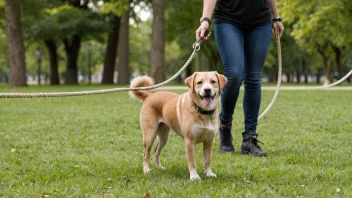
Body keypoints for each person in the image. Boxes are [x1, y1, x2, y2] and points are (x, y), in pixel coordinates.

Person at [196, 0, 284, 156]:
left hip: (260, 21)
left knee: (254, 79)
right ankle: (225, 126)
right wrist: (205, 20)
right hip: (228, 19)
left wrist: (276, 17)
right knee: (234, 74)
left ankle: (249, 138)